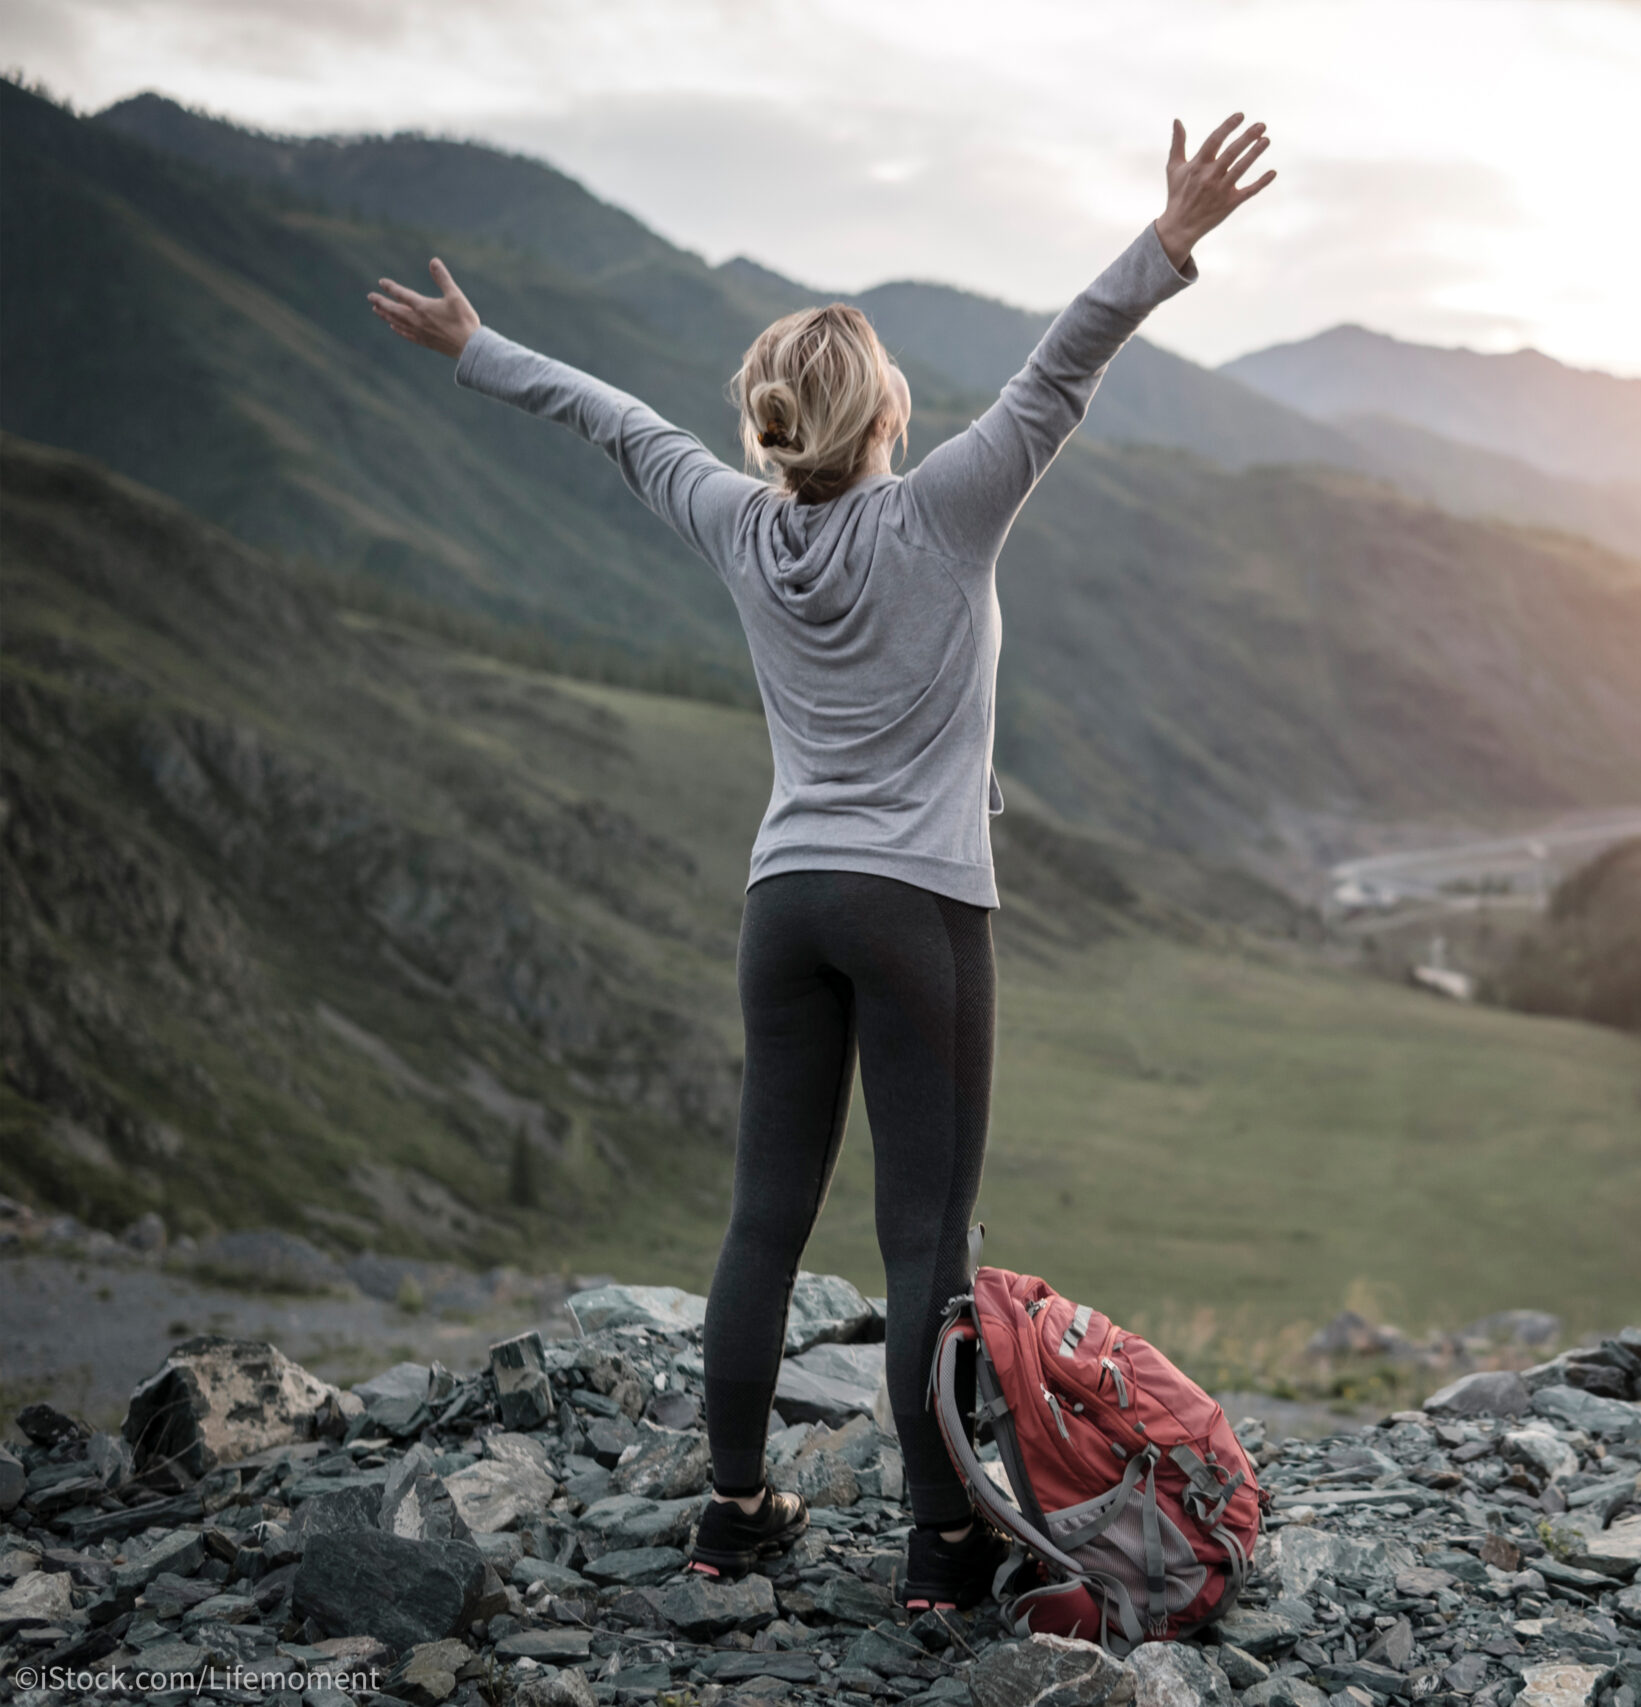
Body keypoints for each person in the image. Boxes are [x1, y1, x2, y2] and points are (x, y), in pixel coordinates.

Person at [368, 112, 1276, 1610]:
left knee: (760, 1221)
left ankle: (734, 1515)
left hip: (782, 903)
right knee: (924, 1229)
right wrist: (1170, 239)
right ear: (881, 421)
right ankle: (941, 1540)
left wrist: (478, 346)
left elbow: (613, 422)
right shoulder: (949, 512)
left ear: (776, 424)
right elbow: (1066, 358)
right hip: (919, 905)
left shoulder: (734, 521)